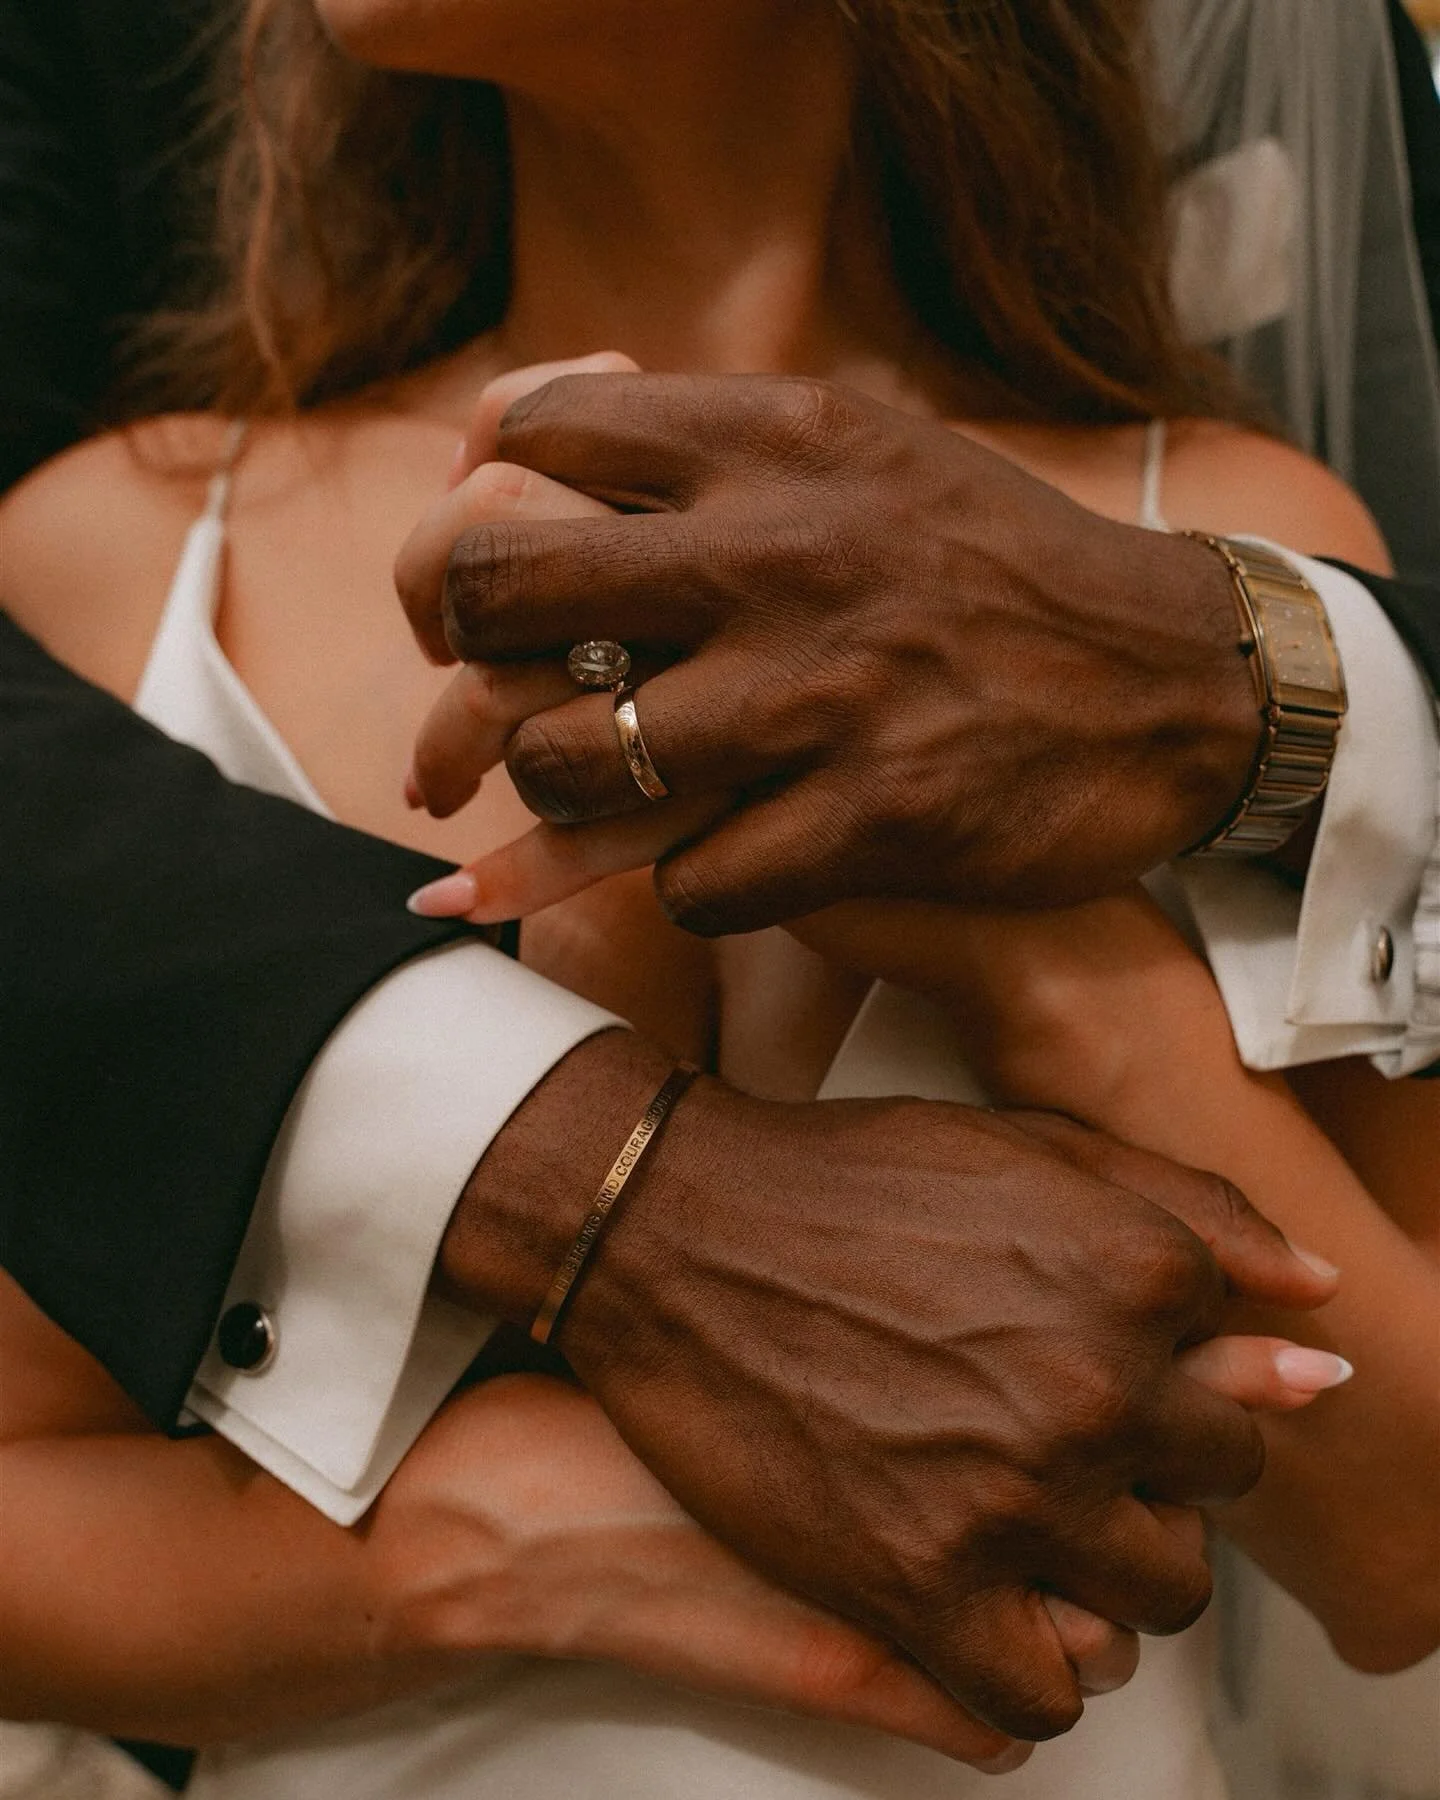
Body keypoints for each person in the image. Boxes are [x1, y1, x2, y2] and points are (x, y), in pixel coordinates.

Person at [0, 3, 1436, 1799]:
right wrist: (554, 1537)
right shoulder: (119, 558)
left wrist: (1034, 948)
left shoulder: (1216, 567)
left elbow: (1402, 1551)